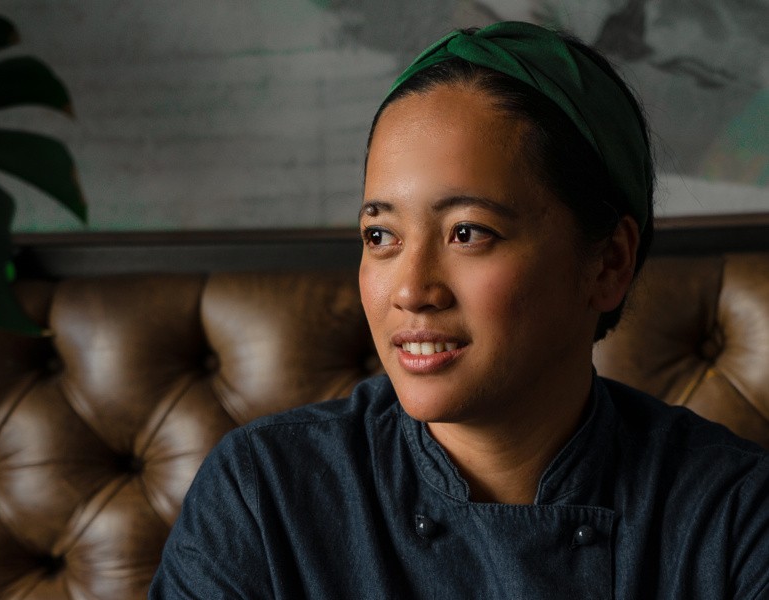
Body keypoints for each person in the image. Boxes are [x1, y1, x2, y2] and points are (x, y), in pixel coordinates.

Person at [150, 21, 769, 598]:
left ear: (607, 264)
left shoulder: (735, 514)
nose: (411, 290)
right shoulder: (265, 496)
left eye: (468, 232)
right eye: (381, 236)